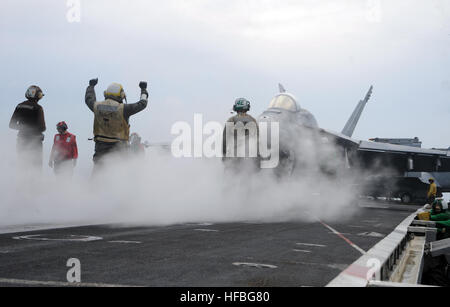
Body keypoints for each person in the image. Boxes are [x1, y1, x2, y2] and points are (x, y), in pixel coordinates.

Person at [85, 78, 149, 171]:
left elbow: (88, 98)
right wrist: (143, 90)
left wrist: (91, 87)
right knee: (119, 178)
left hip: (100, 149)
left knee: (97, 177)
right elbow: (142, 104)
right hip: (119, 149)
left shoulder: (96, 106)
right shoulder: (124, 109)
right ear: (121, 95)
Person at [9, 85, 46, 169]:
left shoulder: (19, 106)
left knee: (22, 163)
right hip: (35, 142)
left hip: (21, 139)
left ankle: (22, 181)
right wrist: (32, 129)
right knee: (36, 166)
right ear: (37, 96)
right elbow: (42, 128)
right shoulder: (38, 108)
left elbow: (11, 125)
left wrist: (24, 128)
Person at [222, 98, 259, 173]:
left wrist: (224, 155)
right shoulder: (253, 121)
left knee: (229, 179)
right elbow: (257, 140)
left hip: (233, 157)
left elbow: (225, 140)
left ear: (235, 108)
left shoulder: (231, 120)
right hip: (249, 159)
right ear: (247, 108)